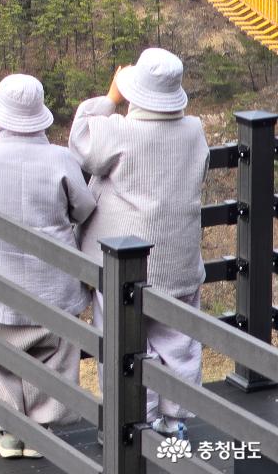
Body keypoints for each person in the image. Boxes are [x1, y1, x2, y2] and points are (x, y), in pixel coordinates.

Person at [0, 74, 95, 460]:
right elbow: (83, 208)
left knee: (0, 355)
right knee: (55, 353)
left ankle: (9, 432)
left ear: (0, 117)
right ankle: (42, 431)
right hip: (54, 283)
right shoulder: (61, 159)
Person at [69, 49, 208, 439]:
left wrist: (110, 99)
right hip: (179, 258)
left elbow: (80, 143)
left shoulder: (121, 130)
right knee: (178, 341)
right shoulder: (194, 130)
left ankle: (131, 422)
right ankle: (174, 421)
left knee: (123, 341)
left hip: (123, 263)